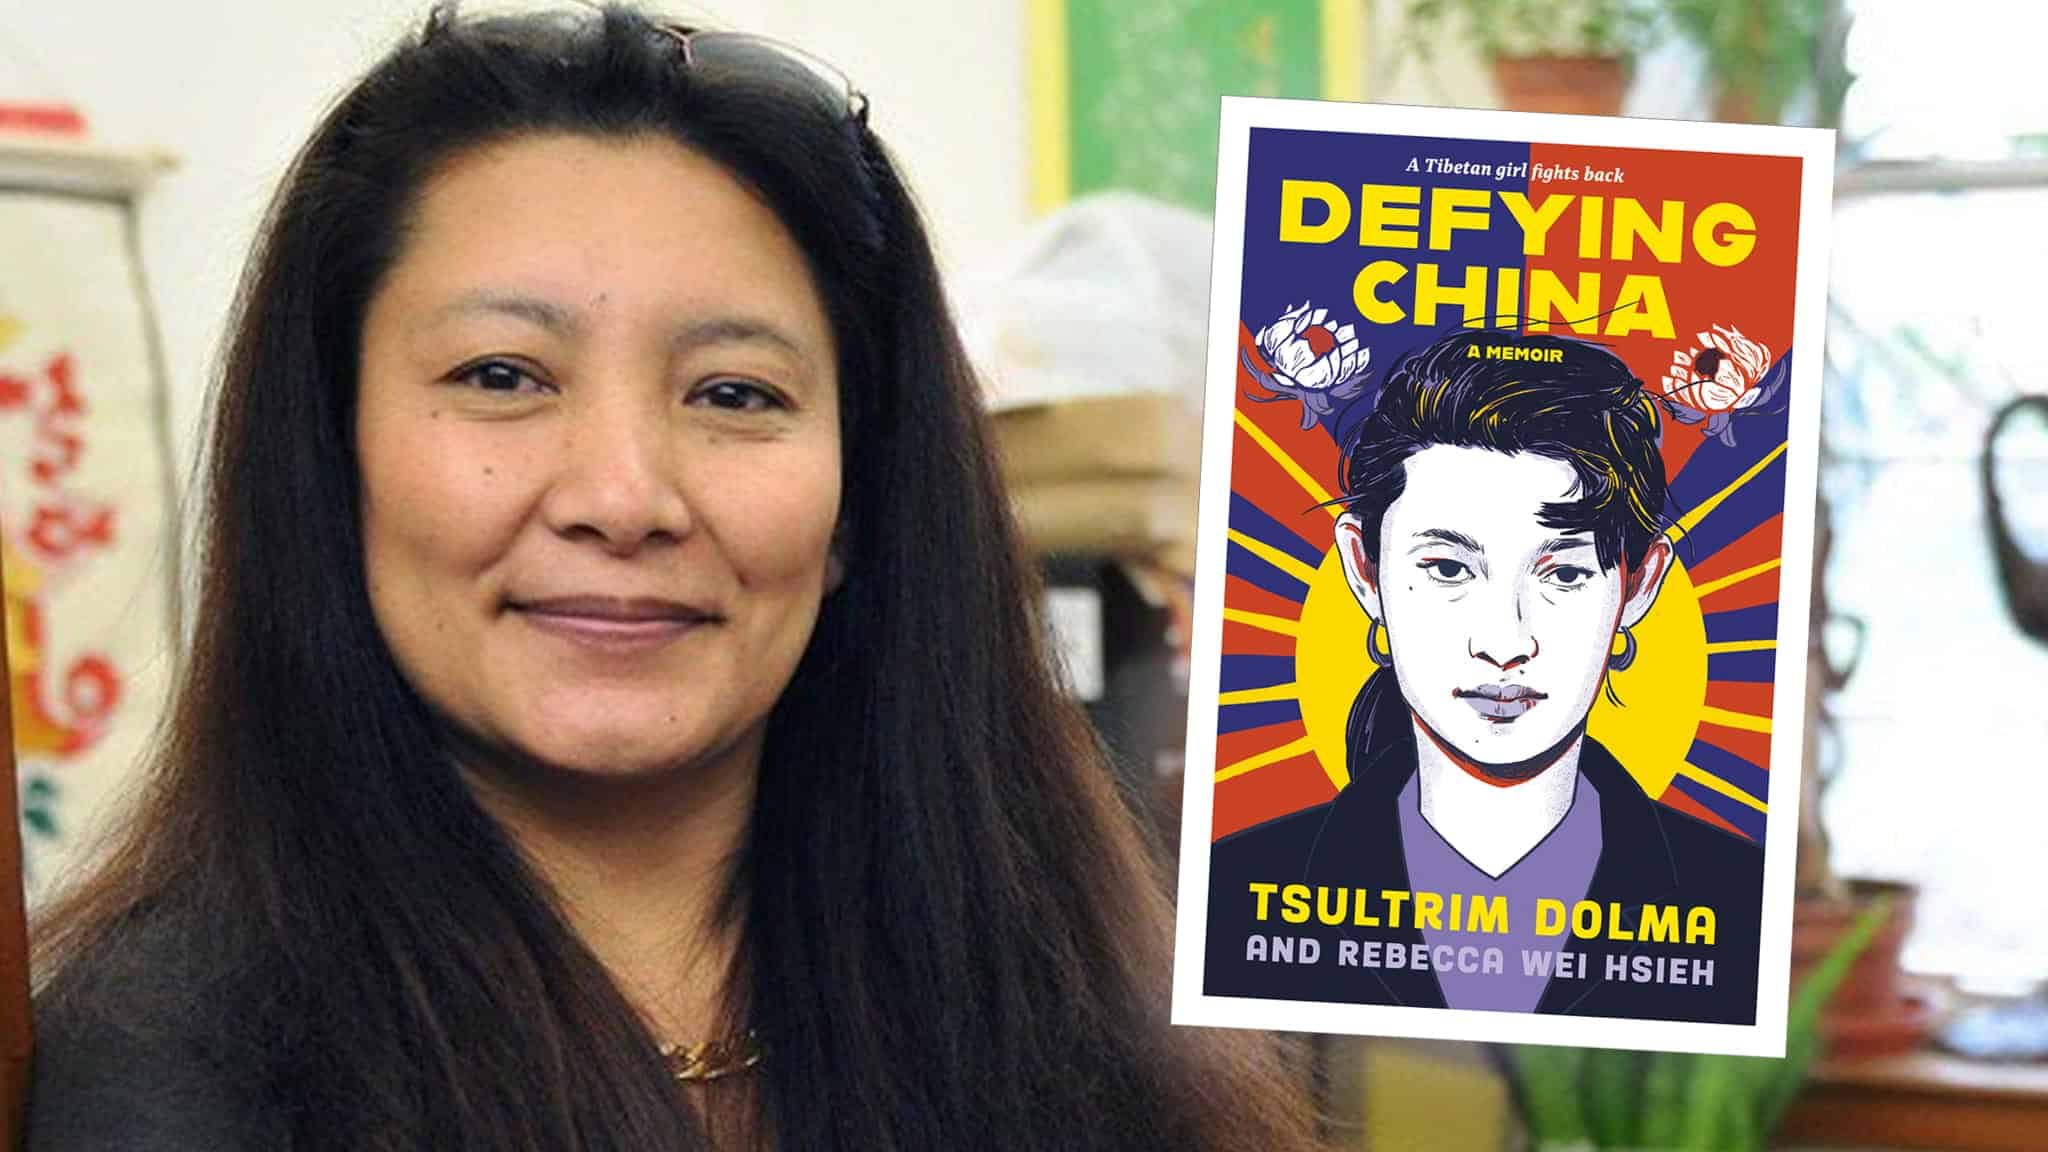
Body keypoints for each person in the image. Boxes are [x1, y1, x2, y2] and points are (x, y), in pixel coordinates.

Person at [23, 6, 1327, 1149]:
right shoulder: (174, 1058)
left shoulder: (1068, 989)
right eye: (501, 377)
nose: (623, 496)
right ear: (332, 454)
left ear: (858, 499)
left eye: (734, 393)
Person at [1205, 327, 1763, 1025]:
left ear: (1639, 584)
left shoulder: (1740, 908)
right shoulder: (1236, 891)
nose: (1506, 642)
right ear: (1365, 569)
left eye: (1564, 572)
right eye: (1446, 568)